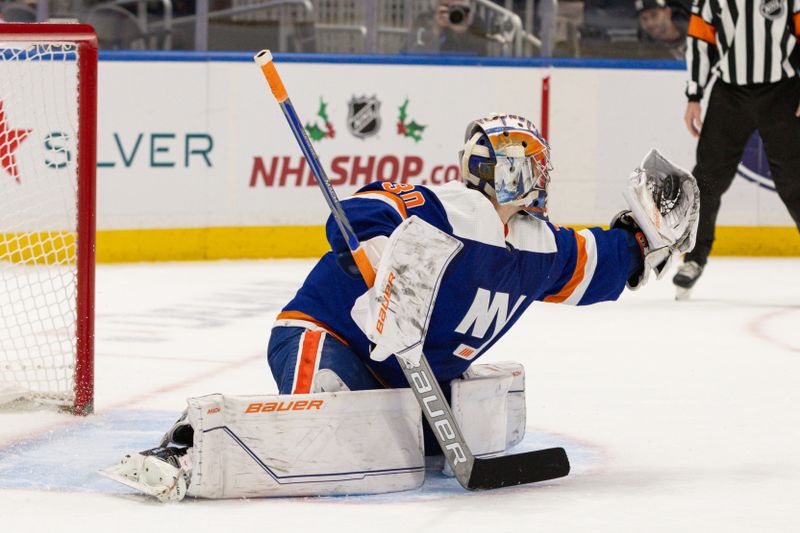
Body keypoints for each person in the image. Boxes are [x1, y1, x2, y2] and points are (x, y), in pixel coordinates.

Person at [103, 113, 698, 501]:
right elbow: (365, 212)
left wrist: (644, 238)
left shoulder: (539, 248)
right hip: (326, 333)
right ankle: (185, 446)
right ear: (510, 172)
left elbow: (602, 260)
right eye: (534, 165)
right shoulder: (444, 208)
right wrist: (381, 248)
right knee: (324, 423)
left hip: (407, 373)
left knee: (405, 451)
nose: (544, 177)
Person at [674, 0, 800, 299]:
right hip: (730, 93)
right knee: (706, 180)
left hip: (782, 91)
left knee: (795, 183)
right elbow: (700, 41)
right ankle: (693, 260)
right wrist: (694, 95)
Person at [406, 0, 491, 56]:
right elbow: (413, 52)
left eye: (458, 7)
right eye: (447, 6)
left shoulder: (475, 22)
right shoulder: (425, 19)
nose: (452, 11)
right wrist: (436, 30)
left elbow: (480, 56)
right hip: (431, 70)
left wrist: (462, 33)